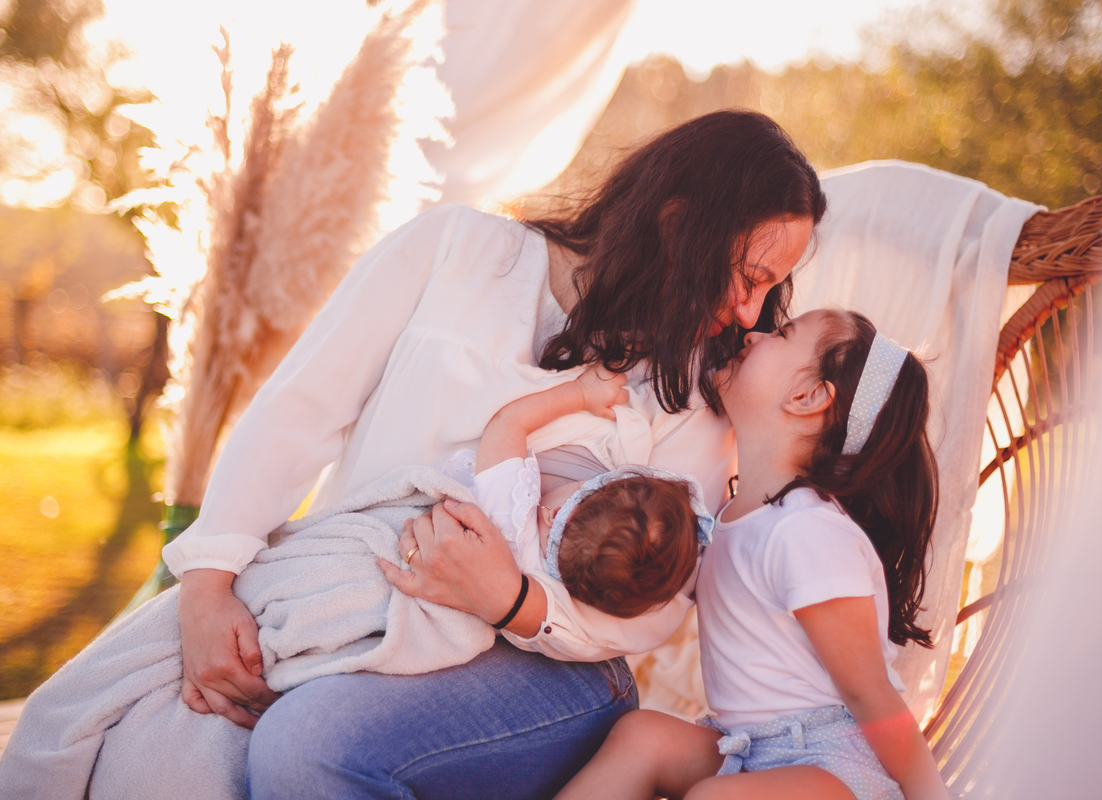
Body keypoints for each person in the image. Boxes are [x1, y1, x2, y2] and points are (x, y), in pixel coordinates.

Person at [166, 109, 826, 800]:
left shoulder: (690, 387)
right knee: (150, 746)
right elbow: (299, 410)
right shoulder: (454, 246)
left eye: (768, 287)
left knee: (308, 746)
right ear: (676, 222)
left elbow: (655, 605)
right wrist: (208, 586)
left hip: (549, 664)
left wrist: (508, 599)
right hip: (355, 604)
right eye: (747, 276)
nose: (752, 312)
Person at [554, 309, 950, 800]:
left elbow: (870, 693)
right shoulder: (725, 517)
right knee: (644, 737)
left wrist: (929, 795)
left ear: (806, 397)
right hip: (748, 752)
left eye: (782, 334)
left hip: (837, 770)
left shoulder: (808, 531)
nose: (755, 333)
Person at [387, 363, 716, 622]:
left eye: (590, 484)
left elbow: (508, 423)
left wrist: (581, 393)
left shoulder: (507, 518)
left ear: (559, 514)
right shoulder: (557, 587)